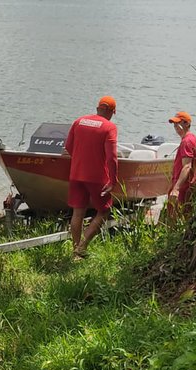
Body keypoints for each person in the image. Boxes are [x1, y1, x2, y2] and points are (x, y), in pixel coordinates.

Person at [65, 96, 118, 259]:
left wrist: (80, 161)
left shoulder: (79, 121)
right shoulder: (109, 127)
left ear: (97, 108)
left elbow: (68, 146)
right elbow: (112, 157)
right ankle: (82, 246)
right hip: (97, 177)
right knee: (104, 211)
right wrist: (113, 180)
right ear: (111, 112)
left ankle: (75, 253)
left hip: (76, 174)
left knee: (77, 212)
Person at [165, 111, 196, 221]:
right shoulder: (194, 139)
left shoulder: (186, 141)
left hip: (183, 187)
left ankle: (174, 237)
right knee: (186, 217)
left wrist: (176, 189)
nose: (175, 126)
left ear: (187, 124)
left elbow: (186, 166)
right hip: (189, 185)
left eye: (179, 123)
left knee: (175, 219)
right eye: (174, 124)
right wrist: (195, 172)